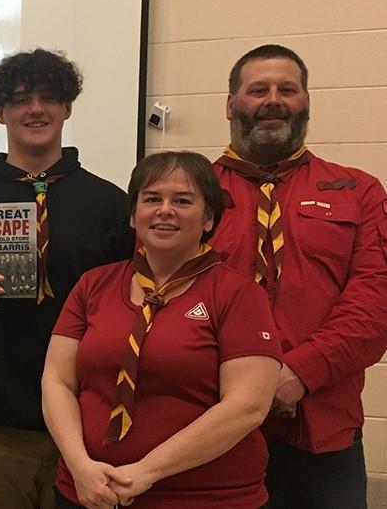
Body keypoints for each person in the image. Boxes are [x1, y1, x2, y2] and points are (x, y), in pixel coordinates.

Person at [0, 49, 134, 509]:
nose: (36, 109)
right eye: (20, 99)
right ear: (0, 112)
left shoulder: (111, 205)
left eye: (49, 97)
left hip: (89, 425)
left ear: (67, 107)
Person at [43, 151, 281, 508]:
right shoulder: (93, 285)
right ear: (133, 215)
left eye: (182, 201)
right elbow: (57, 381)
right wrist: (79, 466)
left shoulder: (238, 294)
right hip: (88, 491)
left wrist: (146, 472)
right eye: (152, 199)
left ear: (208, 218)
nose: (165, 210)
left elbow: (248, 406)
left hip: (205, 498)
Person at [209, 44, 387, 508]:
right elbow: (164, 297)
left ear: (306, 102)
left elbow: (375, 303)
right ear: (230, 104)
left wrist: (299, 374)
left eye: (287, 90)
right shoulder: (189, 194)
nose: (273, 100)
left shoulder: (361, 191)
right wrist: (244, 389)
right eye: (258, 90)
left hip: (323, 433)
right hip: (210, 428)